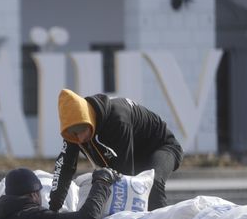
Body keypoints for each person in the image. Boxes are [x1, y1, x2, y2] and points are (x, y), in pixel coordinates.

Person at [49, 88, 183, 212]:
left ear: (89, 118)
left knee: (151, 185)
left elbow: (125, 178)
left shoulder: (118, 120)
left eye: (81, 130)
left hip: (162, 147)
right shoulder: (73, 132)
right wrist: (54, 209)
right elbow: (64, 168)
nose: (80, 137)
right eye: (73, 133)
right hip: (134, 153)